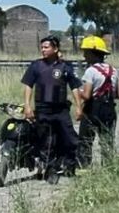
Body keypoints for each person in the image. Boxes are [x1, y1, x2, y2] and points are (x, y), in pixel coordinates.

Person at [20, 35, 82, 184]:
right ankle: (50, 170)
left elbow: (74, 87)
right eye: (42, 47)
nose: (43, 50)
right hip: (42, 109)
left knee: (71, 139)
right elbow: (28, 86)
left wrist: (79, 106)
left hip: (61, 110)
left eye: (46, 47)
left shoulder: (65, 67)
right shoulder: (36, 66)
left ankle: (69, 166)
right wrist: (27, 106)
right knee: (46, 141)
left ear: (55, 49)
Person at [78, 36, 119, 167]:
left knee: (86, 139)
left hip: (93, 108)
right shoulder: (114, 71)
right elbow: (117, 94)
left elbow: (87, 95)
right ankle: (108, 166)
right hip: (109, 108)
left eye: (86, 52)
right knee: (107, 140)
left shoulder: (90, 71)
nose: (84, 55)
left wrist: (76, 90)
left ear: (92, 53)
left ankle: (84, 166)